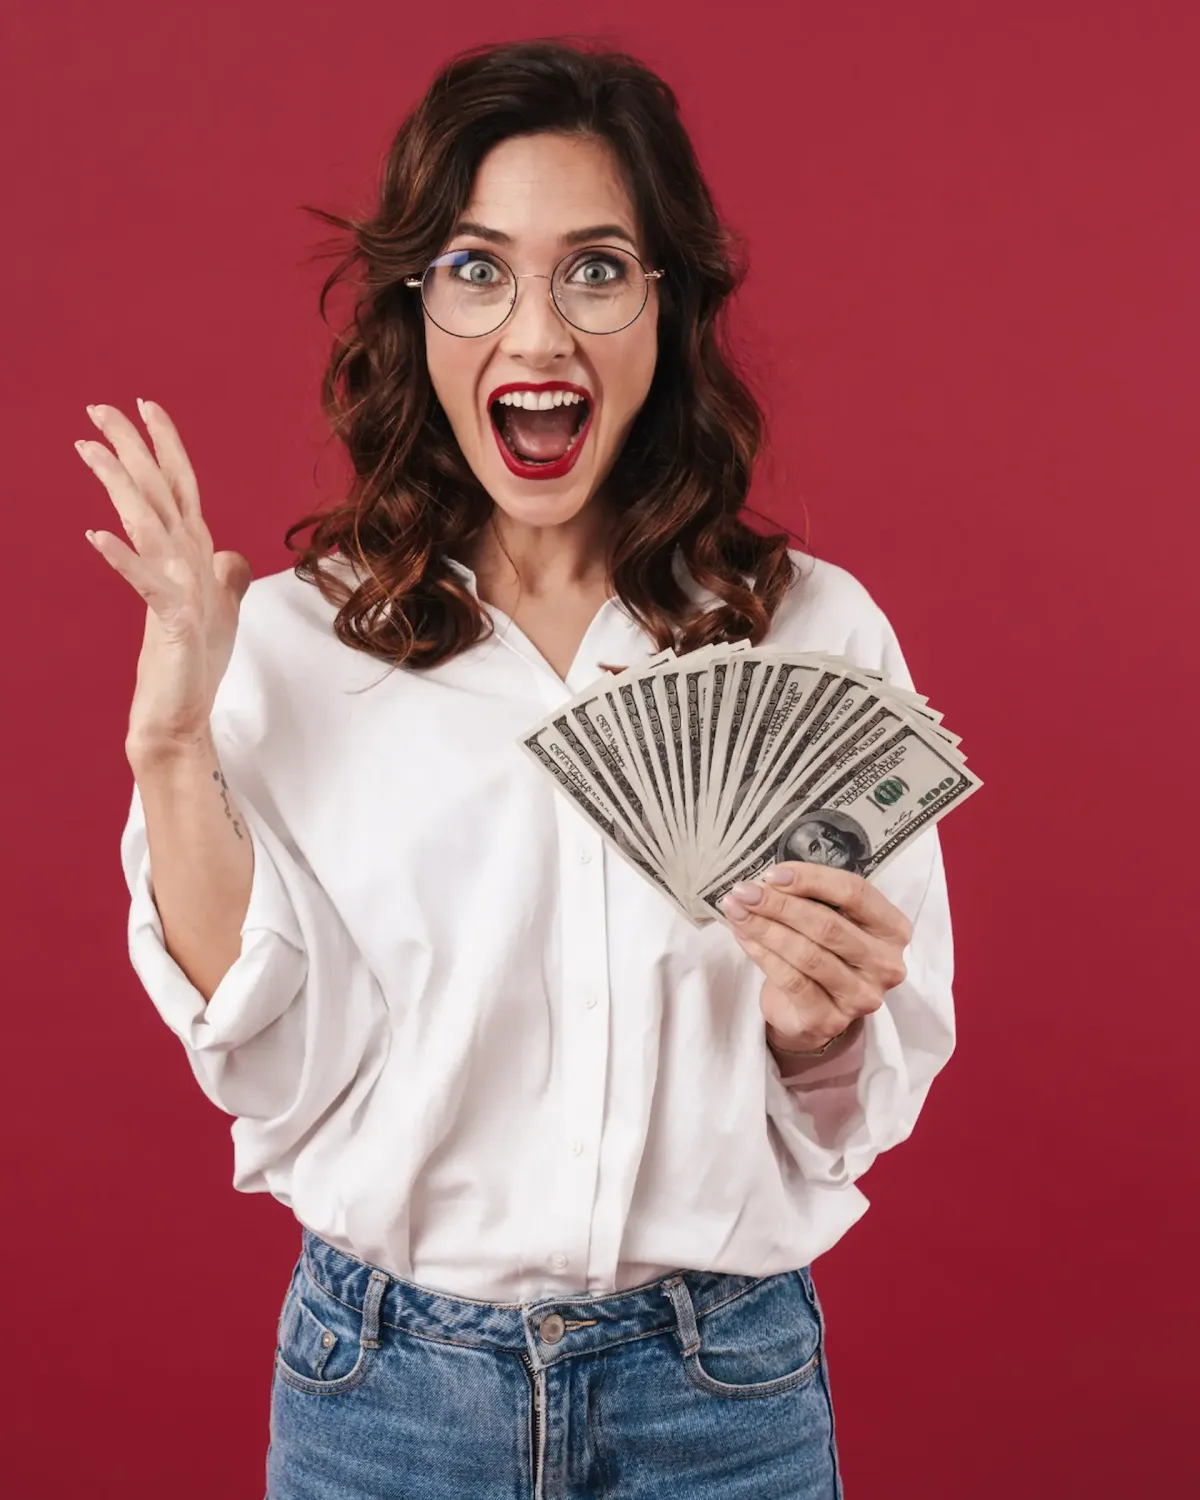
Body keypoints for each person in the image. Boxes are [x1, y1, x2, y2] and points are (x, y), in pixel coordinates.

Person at [80, 38, 955, 1500]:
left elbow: (863, 1095)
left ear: (667, 305)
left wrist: (817, 1032)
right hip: (386, 1401)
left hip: (719, 1400)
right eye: (478, 271)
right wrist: (171, 743)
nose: (536, 334)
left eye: (595, 270)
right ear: (416, 307)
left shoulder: (811, 631)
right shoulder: (291, 641)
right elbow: (268, 1061)